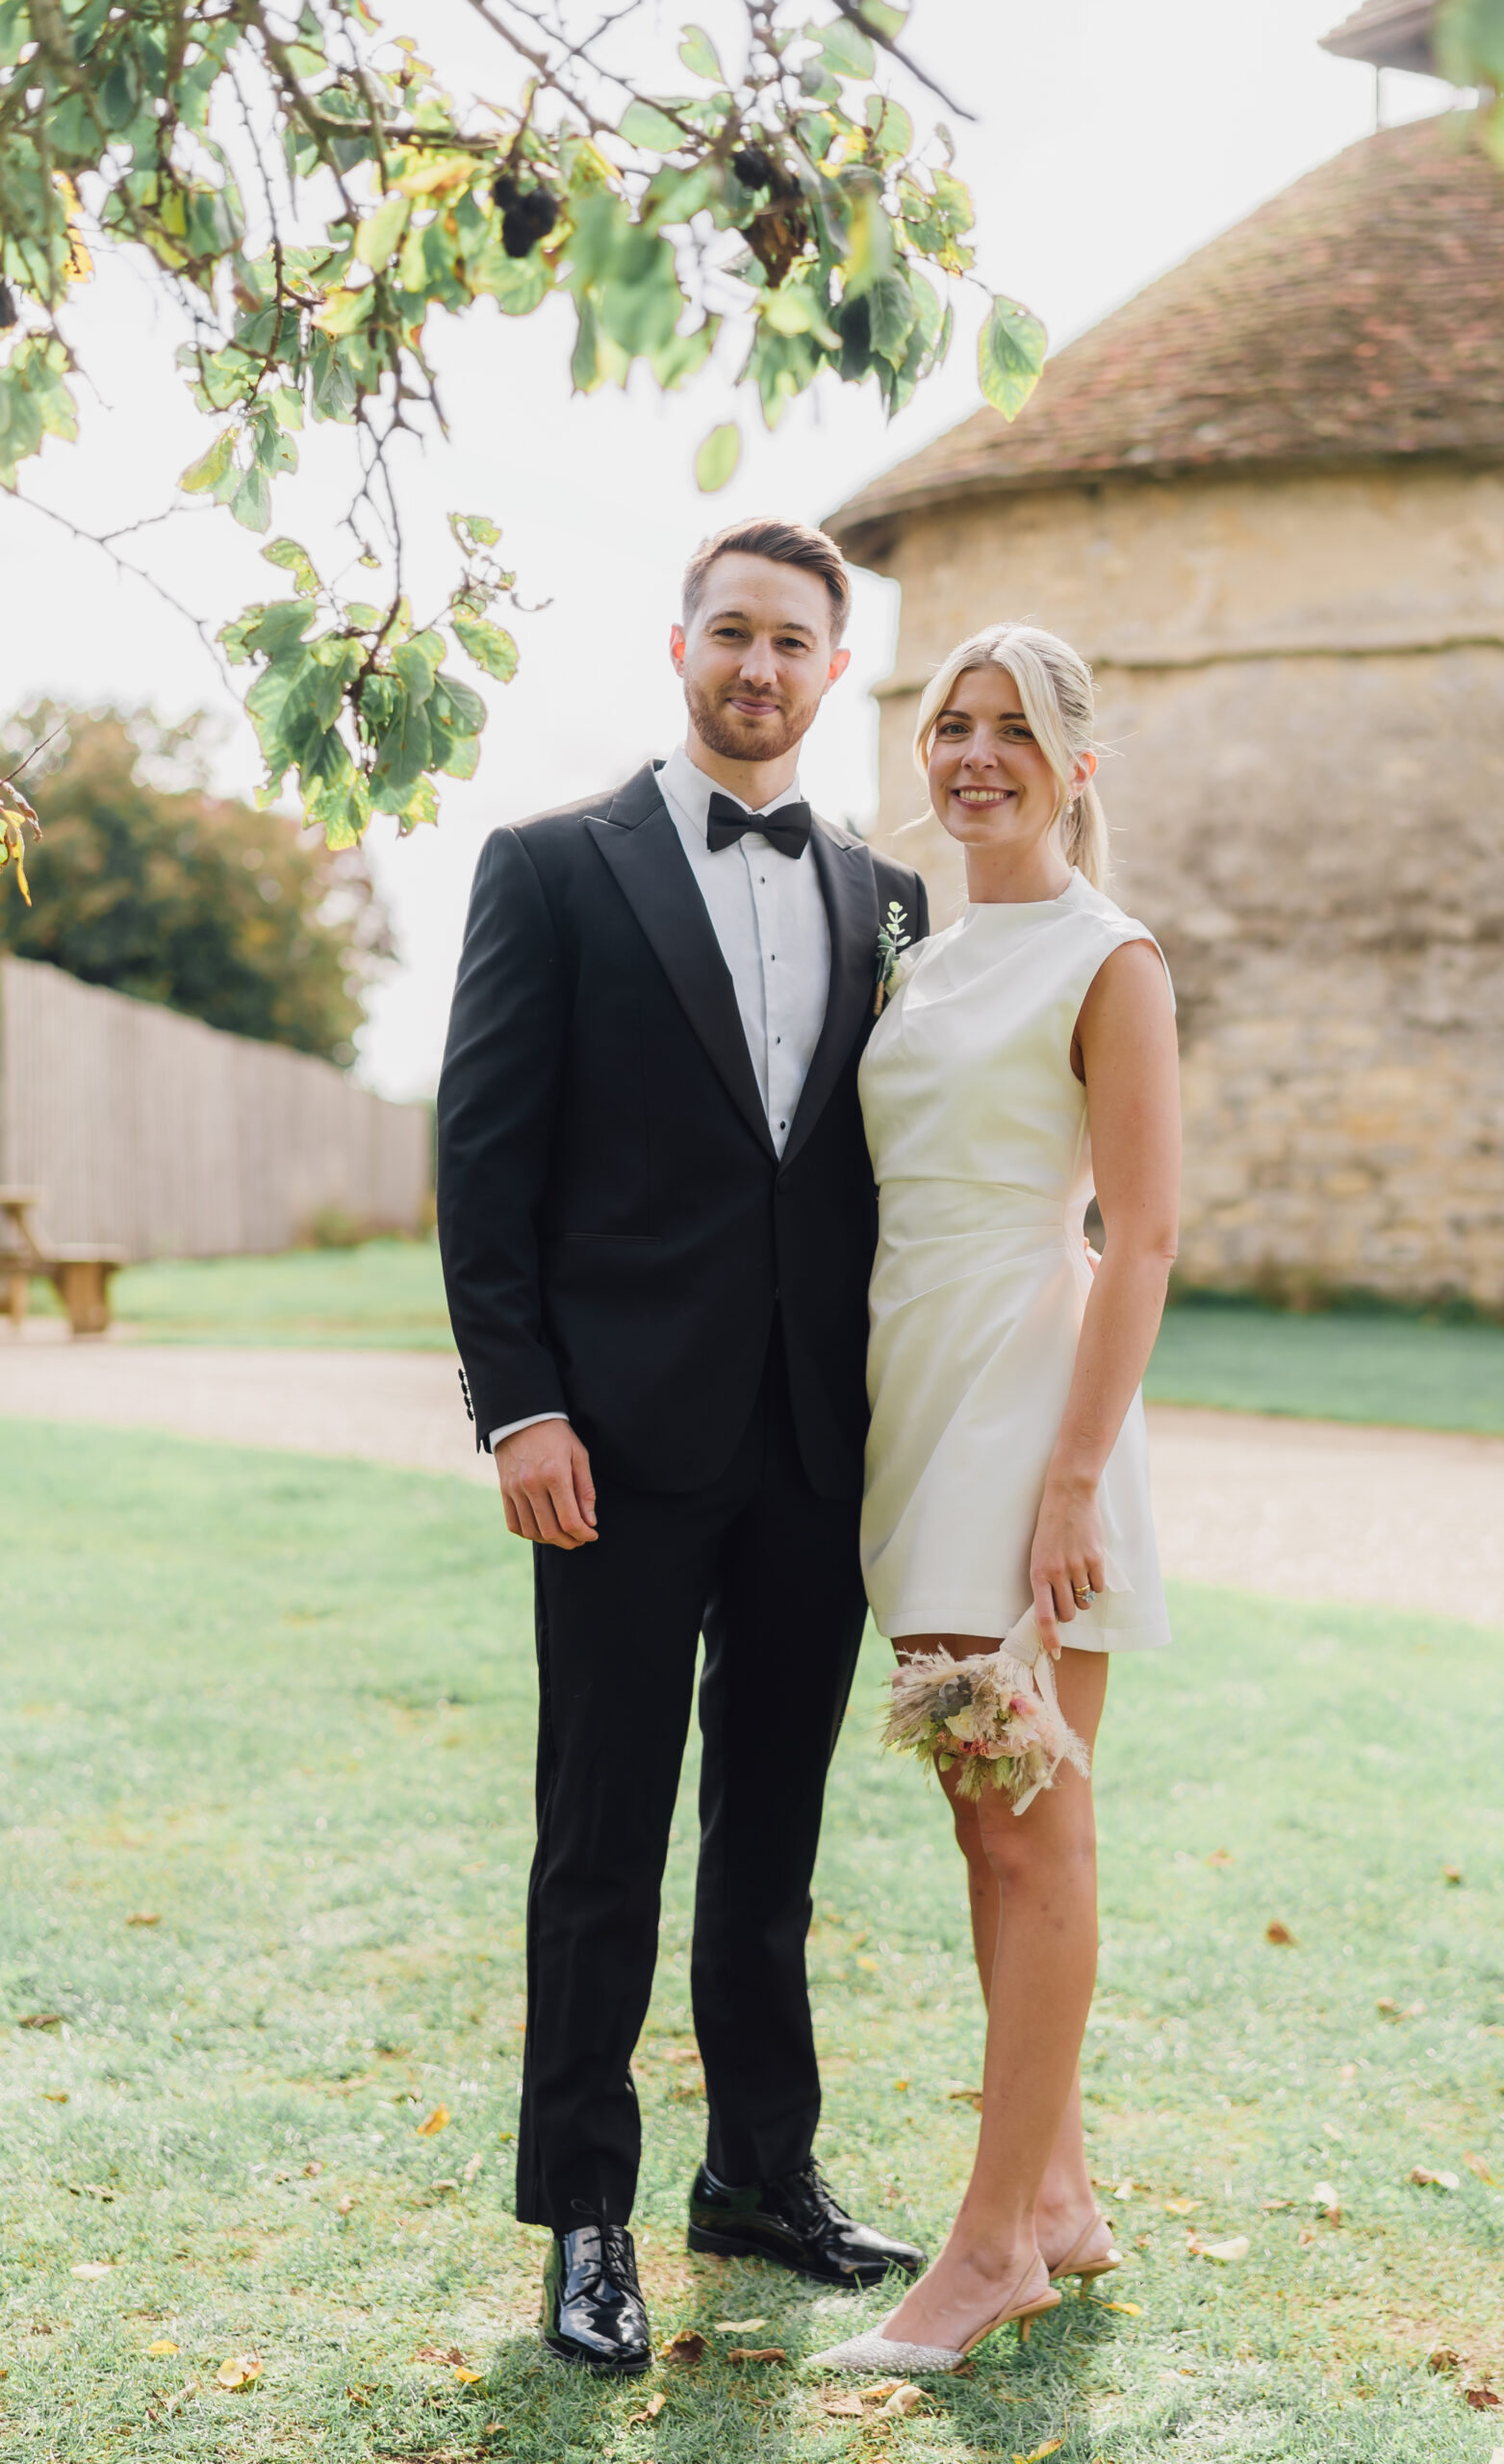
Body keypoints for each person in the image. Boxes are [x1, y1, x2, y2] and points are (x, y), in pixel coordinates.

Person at [437, 517, 929, 2378]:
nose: (761, 667)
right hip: (618, 1446)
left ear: (827, 669)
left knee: (774, 1833)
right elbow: (482, 1160)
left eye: (796, 642)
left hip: (816, 1445)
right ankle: (585, 2215)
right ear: (680, 646)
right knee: (601, 1837)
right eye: (733, 632)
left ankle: (760, 2179)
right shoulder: (555, 868)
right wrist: (523, 1402)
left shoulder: (892, 902)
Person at [810, 622, 1181, 2376]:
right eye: (951, 724)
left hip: (1026, 1429)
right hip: (914, 1402)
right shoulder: (926, 958)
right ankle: (1065, 2200)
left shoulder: (1111, 961)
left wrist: (1075, 1479)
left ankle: (984, 2253)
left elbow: (1146, 1233)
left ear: (1077, 762)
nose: (973, 753)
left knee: (1035, 1830)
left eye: (1012, 728)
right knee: (985, 1822)